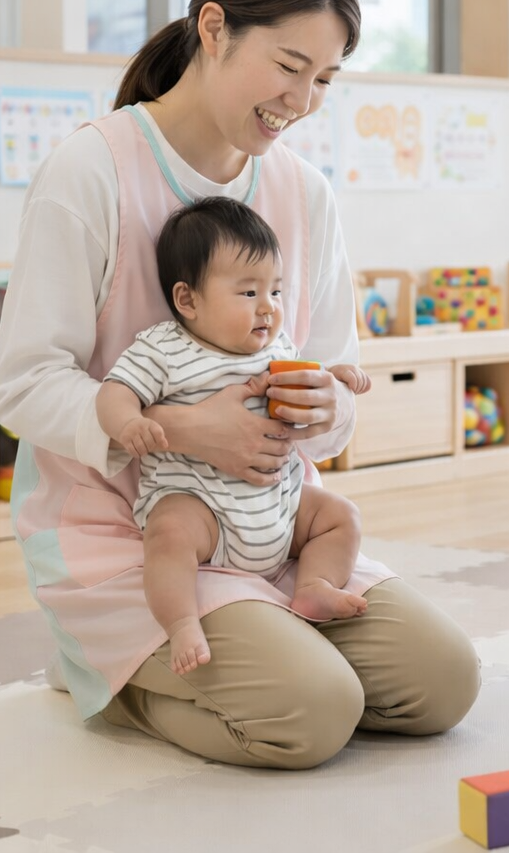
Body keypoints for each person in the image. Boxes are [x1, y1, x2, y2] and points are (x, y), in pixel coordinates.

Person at [0, 0, 479, 769]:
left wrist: (326, 409)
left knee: (444, 682)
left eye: (325, 78)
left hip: (271, 523)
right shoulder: (90, 174)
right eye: (290, 67)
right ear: (213, 28)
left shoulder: (305, 193)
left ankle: (262, 644)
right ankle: (101, 675)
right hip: (136, 536)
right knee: (314, 713)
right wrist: (182, 428)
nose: (304, 100)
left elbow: (334, 388)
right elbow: (25, 385)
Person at [99, 197, 373, 675]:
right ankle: (182, 622)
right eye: (248, 293)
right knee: (167, 534)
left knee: (340, 515)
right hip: (201, 507)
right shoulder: (164, 349)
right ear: (188, 300)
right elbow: (113, 392)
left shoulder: (279, 347)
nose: (268, 308)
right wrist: (129, 423)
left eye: (276, 292)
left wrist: (336, 379)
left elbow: (306, 389)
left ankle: (313, 586)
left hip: (280, 505)